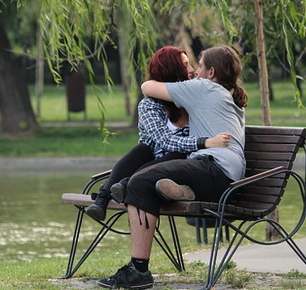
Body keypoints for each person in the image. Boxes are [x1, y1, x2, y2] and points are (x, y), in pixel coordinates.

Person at [97, 46, 248, 290]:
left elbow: (148, 86)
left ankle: (138, 271)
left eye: (199, 66)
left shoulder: (203, 88)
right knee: (149, 179)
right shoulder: (224, 94)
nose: (194, 71)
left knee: (139, 182)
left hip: (213, 169)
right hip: (219, 178)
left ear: (211, 72)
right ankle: (180, 190)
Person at [84, 46, 231, 221]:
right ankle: (103, 198)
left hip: (176, 170)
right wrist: (203, 142)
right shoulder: (149, 105)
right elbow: (164, 141)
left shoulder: (192, 102)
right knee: (142, 149)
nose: (192, 70)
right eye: (185, 65)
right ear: (171, 70)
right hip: (150, 161)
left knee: (178, 154)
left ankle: (125, 183)